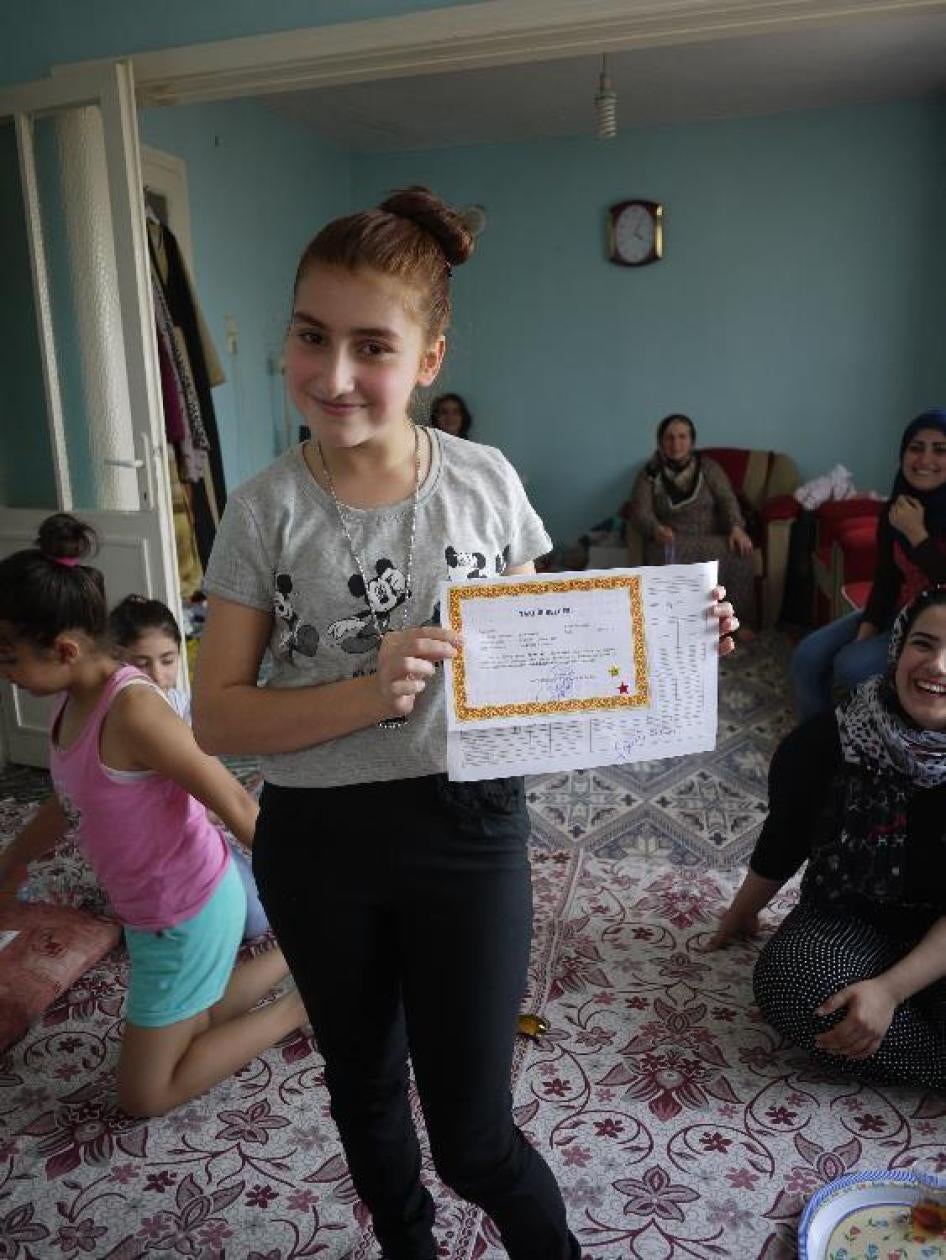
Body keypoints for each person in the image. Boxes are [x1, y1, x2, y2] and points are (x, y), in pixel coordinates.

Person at [192, 185, 738, 1260]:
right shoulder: (261, 510)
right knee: (363, 1091)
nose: (335, 374)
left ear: (429, 358)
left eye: (372, 346)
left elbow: (552, 659)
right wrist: (370, 688)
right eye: (310, 335)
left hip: (470, 828)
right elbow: (216, 715)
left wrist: (669, 639)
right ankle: (409, 1248)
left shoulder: (486, 484)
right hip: (321, 841)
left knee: (475, 1138)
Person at [0, 514, 305, 1117]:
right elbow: (70, 800)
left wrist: (302, 889)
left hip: (184, 912)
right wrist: (12, 858)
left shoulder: (135, 711)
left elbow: (236, 801)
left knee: (143, 1095)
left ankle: (300, 1007)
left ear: (65, 650)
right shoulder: (71, 699)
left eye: (8, 658)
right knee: (195, 1017)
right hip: (158, 909)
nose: (5, 672)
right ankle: (299, 958)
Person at [707, 587, 946, 1089]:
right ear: (898, 648)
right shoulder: (832, 736)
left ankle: (902, 1035)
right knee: (791, 981)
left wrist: (890, 991)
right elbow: (785, 837)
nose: (938, 666)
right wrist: (743, 912)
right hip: (851, 919)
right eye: (924, 644)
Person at [109, 593, 269, 941]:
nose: (156, 675)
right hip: (147, 849)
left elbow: (216, 796)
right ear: (117, 660)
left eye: (167, 660)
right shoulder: (117, 718)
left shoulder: (180, 707)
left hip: (190, 832)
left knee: (257, 918)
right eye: (141, 663)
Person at [790, 409, 946, 720]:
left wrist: (917, 534)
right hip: (899, 609)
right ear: (903, 454)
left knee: (850, 667)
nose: (925, 459)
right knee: (807, 657)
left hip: (938, 626)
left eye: (940, 451)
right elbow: (887, 577)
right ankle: (820, 738)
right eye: (916, 448)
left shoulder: (910, 518)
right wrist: (868, 626)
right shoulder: (898, 506)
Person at [629, 413, 755, 622]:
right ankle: (671, 625)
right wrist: (655, 528)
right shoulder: (649, 473)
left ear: (692, 441)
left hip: (711, 537)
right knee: (662, 556)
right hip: (670, 539)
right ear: (660, 441)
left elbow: (726, 499)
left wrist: (736, 528)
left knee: (742, 553)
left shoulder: (709, 468)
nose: (675, 443)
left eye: (682, 437)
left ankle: (736, 623)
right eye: (669, 437)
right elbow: (639, 511)